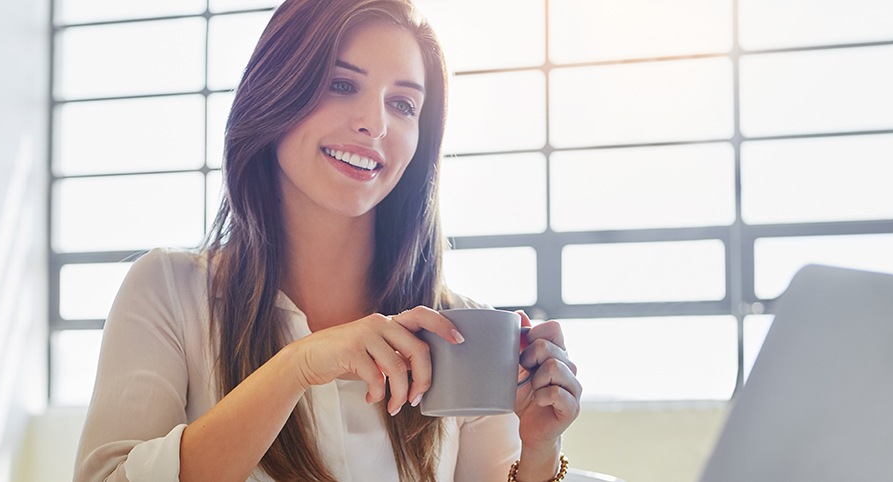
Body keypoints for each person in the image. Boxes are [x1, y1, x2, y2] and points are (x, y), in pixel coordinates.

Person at [73, 0, 582, 480]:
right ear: (276, 91)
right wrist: (300, 365)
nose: (374, 123)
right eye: (341, 85)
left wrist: (539, 450)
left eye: (403, 104)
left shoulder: (459, 335)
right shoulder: (167, 292)